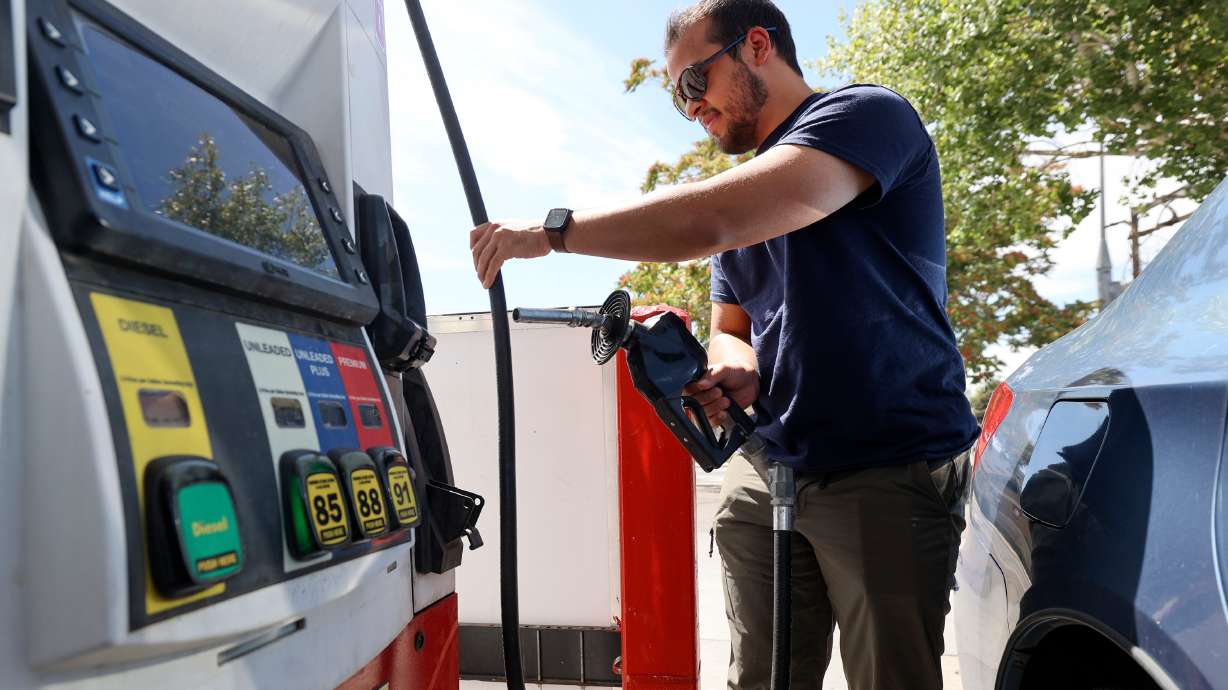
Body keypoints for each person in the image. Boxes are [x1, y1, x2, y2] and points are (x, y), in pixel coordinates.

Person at [467, 1, 980, 688]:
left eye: (693, 83)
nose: (691, 110)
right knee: (761, 678)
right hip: (767, 464)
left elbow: (710, 219)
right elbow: (733, 328)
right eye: (681, 98)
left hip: (882, 464)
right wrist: (735, 372)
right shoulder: (749, 202)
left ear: (757, 45)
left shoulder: (867, 117)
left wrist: (553, 233)